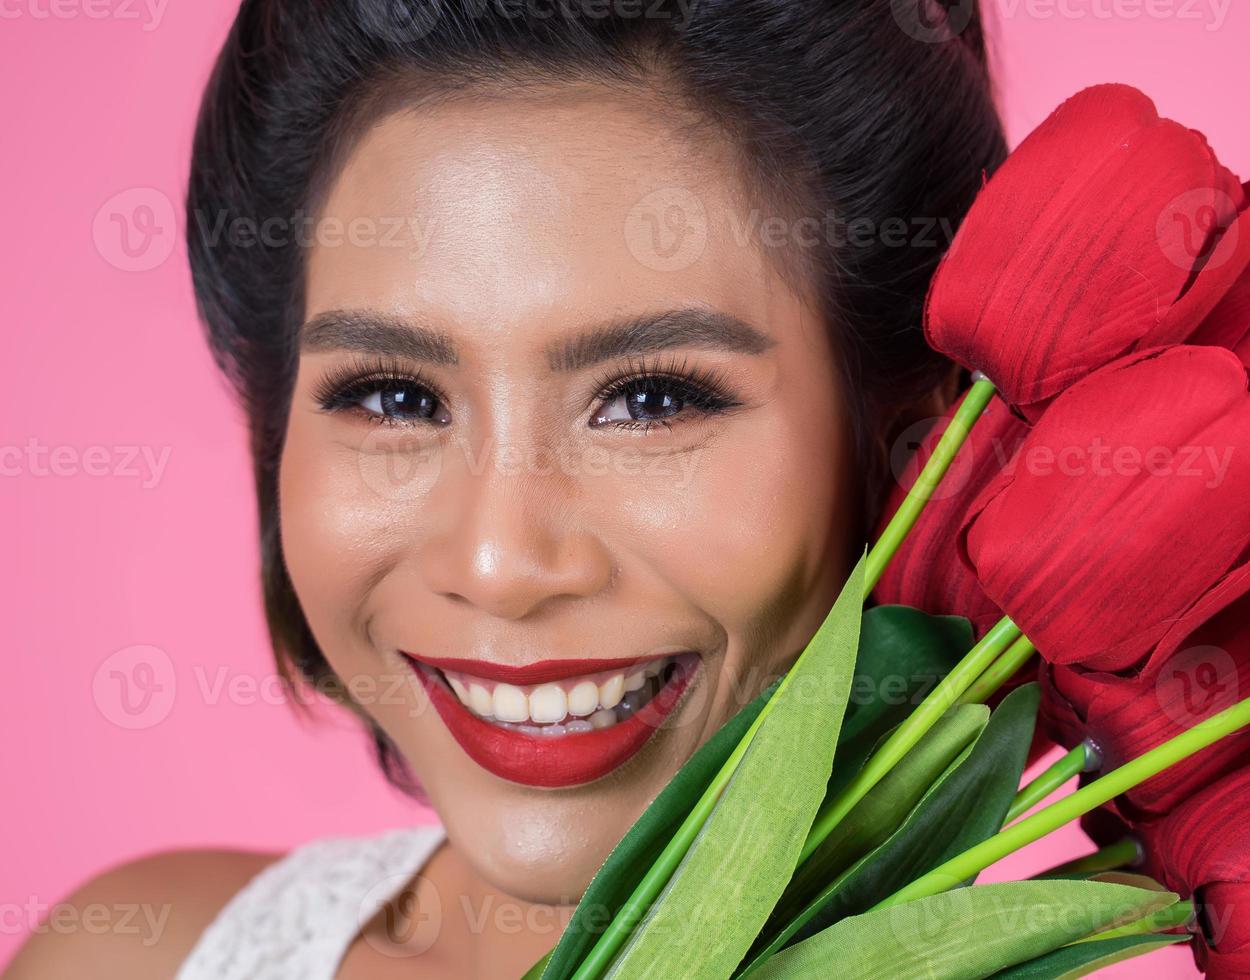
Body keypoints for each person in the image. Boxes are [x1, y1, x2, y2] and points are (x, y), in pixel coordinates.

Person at [5, 1, 1005, 976]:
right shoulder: (134, 951)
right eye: (395, 396)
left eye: (652, 398)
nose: (501, 565)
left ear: (914, 436)